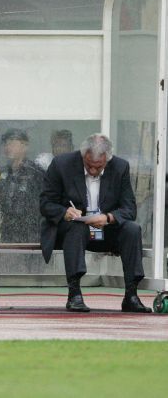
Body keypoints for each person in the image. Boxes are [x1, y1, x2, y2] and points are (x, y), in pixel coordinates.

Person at [39, 133, 151, 313]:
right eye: (88, 165)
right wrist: (65, 212)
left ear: (108, 159)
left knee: (132, 229)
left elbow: (129, 209)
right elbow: (45, 204)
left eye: (98, 167)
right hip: (72, 231)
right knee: (77, 228)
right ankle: (74, 293)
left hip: (106, 229)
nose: (92, 171)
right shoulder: (62, 164)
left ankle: (131, 294)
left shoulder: (120, 167)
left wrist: (108, 217)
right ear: (83, 155)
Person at [0, 129, 44, 243]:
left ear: (24, 146)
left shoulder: (35, 173)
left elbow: (40, 206)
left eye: (12, 142)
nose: (8, 147)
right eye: (6, 143)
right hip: (8, 234)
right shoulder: (2, 173)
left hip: (31, 235)